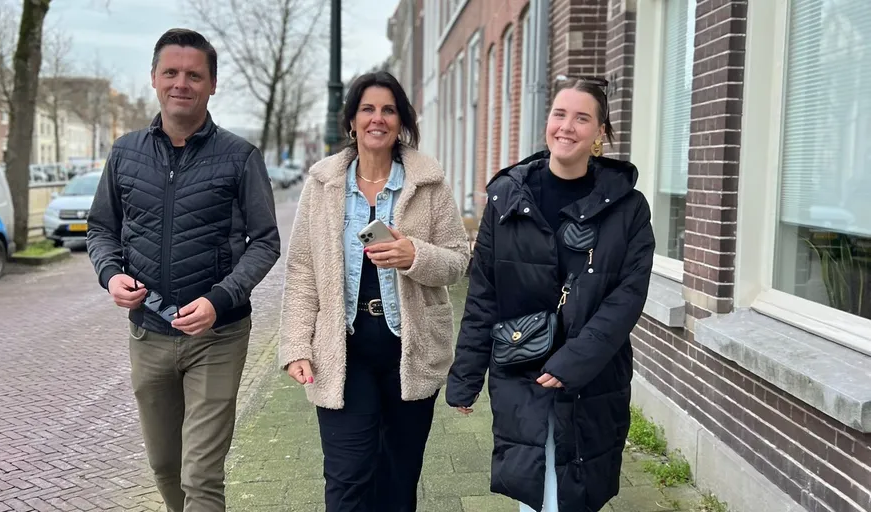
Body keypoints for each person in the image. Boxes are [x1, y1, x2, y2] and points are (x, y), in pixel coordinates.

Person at [86, 28, 280, 512]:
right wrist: (111, 275)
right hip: (148, 334)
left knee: (201, 476)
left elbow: (267, 243)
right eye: (171, 72)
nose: (181, 83)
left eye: (194, 75)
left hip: (217, 338)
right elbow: (100, 229)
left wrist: (220, 300)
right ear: (154, 78)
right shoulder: (125, 152)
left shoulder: (240, 157)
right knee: (165, 469)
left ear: (212, 85)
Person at [446, 75, 656, 512]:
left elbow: (628, 295)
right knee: (533, 489)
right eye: (560, 114)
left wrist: (573, 361)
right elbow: (484, 293)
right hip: (522, 366)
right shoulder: (506, 198)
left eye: (582, 118)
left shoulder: (628, 207)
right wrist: (465, 378)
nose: (567, 126)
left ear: (601, 133)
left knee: (575, 492)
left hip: (593, 376)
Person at [278, 71, 470, 512]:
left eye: (388, 109)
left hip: (411, 351)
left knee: (399, 481)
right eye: (368, 109)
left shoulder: (429, 183)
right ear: (352, 121)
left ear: (401, 120)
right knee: (347, 480)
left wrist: (414, 255)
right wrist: (295, 345)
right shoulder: (322, 185)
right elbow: (303, 269)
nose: (377, 118)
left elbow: (458, 261)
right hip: (342, 353)